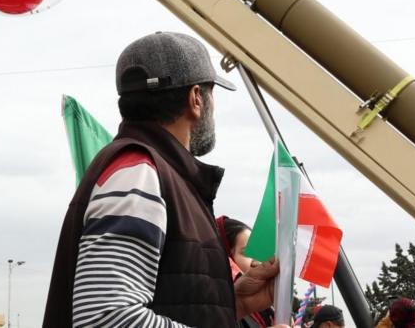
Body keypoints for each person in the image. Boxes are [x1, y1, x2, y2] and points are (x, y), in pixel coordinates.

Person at [43, 31, 281, 327]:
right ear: (196, 99)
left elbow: (165, 303)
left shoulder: (150, 172)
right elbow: (105, 318)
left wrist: (236, 303)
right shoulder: (138, 172)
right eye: (211, 94)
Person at [218, 217, 276, 328]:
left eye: (258, 252)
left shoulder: (268, 310)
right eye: (247, 253)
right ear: (226, 257)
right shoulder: (213, 308)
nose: (257, 262)